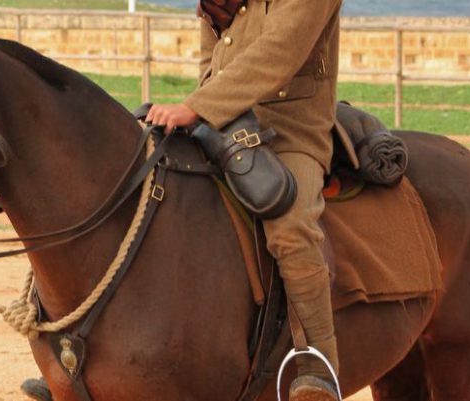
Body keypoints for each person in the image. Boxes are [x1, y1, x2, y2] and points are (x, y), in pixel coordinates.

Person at [145, 1, 344, 400]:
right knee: (145, 182)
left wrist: (196, 109)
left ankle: (319, 365)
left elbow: (281, 49)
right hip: (222, 118)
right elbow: (214, 55)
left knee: (291, 224)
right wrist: (203, 107)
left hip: (291, 128)